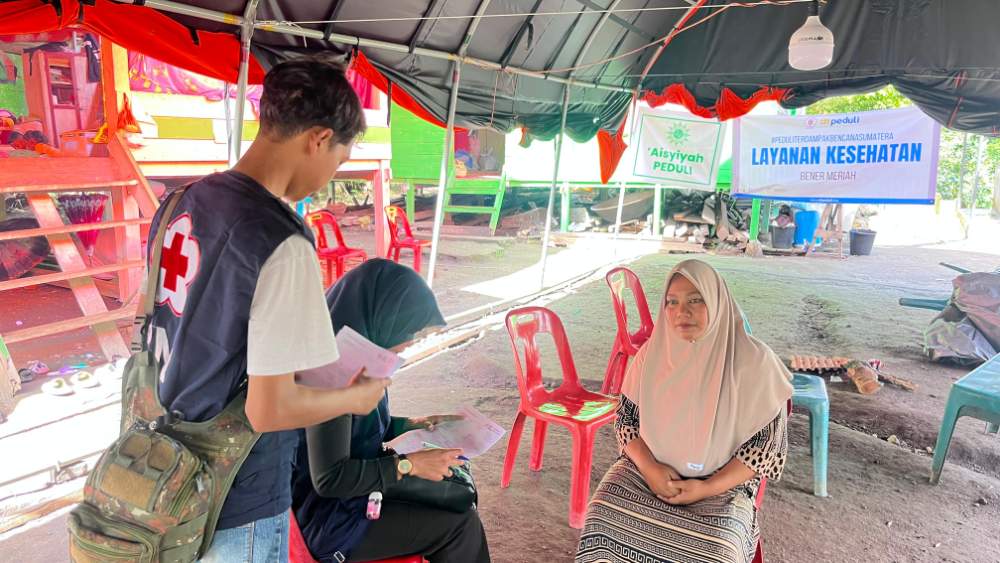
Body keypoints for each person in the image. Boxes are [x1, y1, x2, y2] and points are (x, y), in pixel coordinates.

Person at [145, 57, 389, 563]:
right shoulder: (281, 240)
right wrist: (354, 399)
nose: (329, 177)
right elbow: (269, 409)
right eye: (339, 161)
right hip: (235, 494)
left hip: (161, 469)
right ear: (319, 139)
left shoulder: (179, 202)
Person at [576, 259, 793, 563]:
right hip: (648, 472)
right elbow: (626, 422)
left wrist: (706, 488)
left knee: (718, 551)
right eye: (672, 302)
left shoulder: (755, 364)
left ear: (717, 302)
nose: (682, 312)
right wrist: (650, 469)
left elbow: (764, 451)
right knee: (601, 519)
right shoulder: (651, 355)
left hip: (722, 483)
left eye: (695, 300)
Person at [292, 259, 492, 563]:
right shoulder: (331, 375)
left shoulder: (360, 360)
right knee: (460, 526)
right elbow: (329, 479)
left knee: (456, 502)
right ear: (381, 316)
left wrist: (414, 424)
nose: (411, 341)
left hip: (358, 495)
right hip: (332, 520)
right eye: (409, 329)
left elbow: (364, 428)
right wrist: (409, 465)